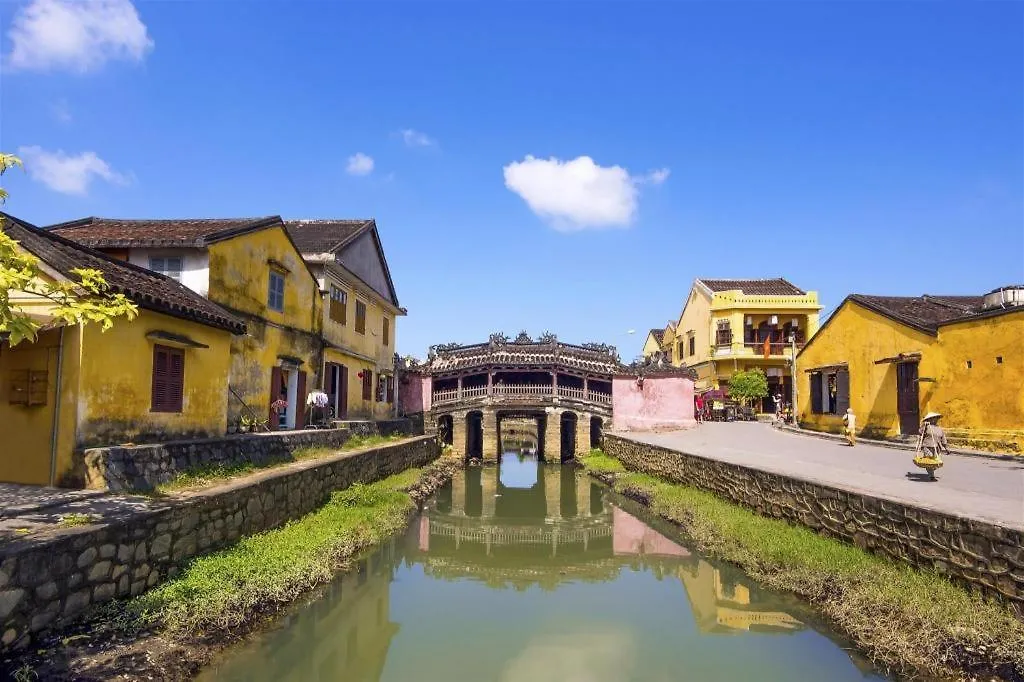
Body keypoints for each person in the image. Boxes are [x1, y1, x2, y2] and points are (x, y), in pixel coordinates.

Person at [915, 412, 949, 481]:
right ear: (930, 419)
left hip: (937, 448)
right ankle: (932, 476)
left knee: (935, 462)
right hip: (927, 446)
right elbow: (920, 432)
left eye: (936, 418)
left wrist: (946, 448)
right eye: (934, 418)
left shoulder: (939, 428)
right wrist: (924, 425)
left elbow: (943, 438)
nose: (936, 420)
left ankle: (931, 472)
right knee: (929, 461)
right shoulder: (926, 426)